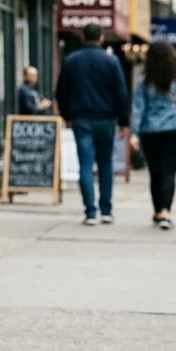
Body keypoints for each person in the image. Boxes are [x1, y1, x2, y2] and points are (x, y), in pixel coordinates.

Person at [55, 23, 130, 225]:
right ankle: (106, 210)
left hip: (82, 118)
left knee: (85, 165)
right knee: (106, 163)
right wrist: (124, 121)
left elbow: (61, 91)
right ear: (101, 38)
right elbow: (121, 93)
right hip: (106, 119)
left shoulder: (71, 61)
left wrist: (66, 115)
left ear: (82, 37)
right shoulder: (111, 62)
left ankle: (90, 211)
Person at [130, 42, 176, 229]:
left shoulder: (145, 81)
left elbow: (138, 108)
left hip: (151, 130)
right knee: (169, 171)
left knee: (155, 172)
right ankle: (165, 211)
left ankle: (158, 210)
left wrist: (134, 133)